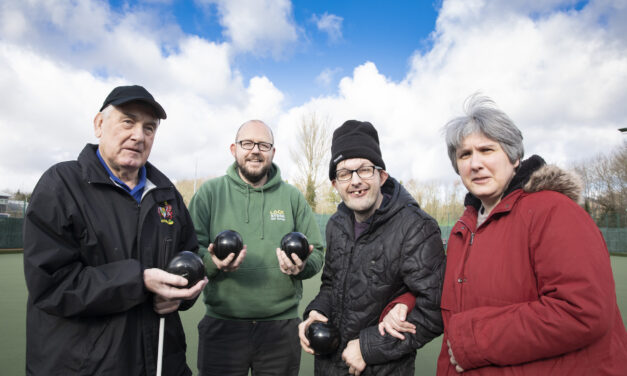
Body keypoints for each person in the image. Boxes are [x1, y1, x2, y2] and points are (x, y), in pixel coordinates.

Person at [383, 94, 627, 375]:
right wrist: (405, 302)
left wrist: (472, 340)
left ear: (514, 158)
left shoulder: (553, 210)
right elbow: (447, 290)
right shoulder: (466, 227)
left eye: (487, 150)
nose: (475, 163)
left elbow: (581, 310)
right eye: (465, 155)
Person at [23, 85, 207, 375]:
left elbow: (189, 259)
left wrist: (181, 294)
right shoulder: (61, 185)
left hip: (162, 362)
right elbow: (52, 286)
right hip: (85, 366)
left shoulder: (166, 193)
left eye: (149, 128)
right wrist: (140, 280)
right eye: (128, 121)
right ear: (99, 124)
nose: (138, 135)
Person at [298, 120, 446, 375]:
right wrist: (315, 312)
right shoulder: (336, 224)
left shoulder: (416, 228)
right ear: (335, 184)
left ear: (382, 175)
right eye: (344, 173)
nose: (355, 180)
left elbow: (435, 309)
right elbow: (332, 284)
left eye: (364, 169)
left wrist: (369, 348)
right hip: (329, 365)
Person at [188, 119, 325, 376]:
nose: (255, 150)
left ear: (273, 152)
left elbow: (317, 251)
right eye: (247, 143)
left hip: (280, 329)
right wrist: (212, 263)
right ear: (234, 149)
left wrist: (302, 266)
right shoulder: (209, 193)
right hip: (222, 327)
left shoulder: (292, 197)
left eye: (263, 145)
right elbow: (190, 251)